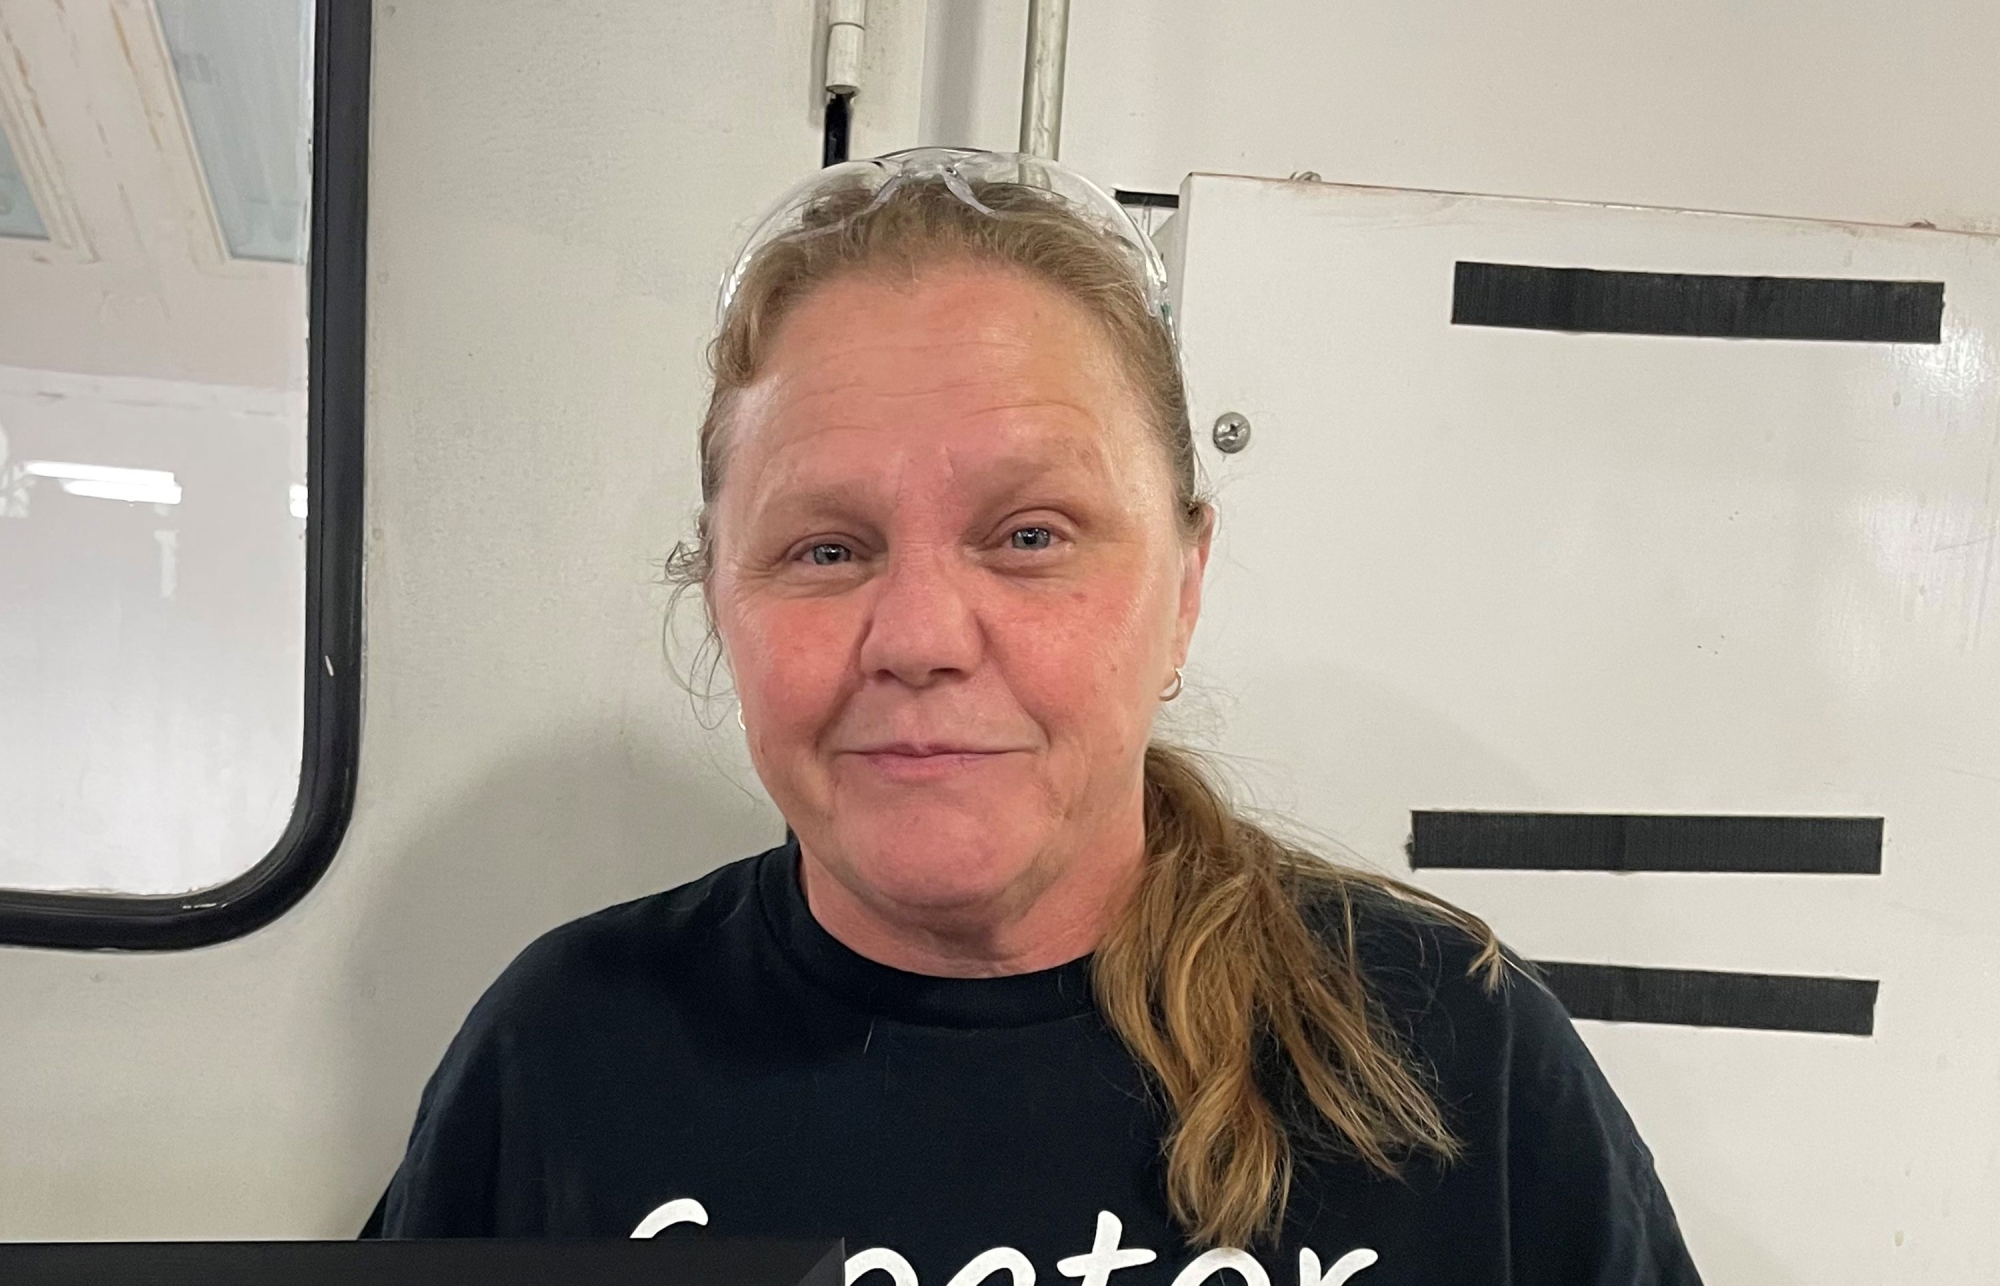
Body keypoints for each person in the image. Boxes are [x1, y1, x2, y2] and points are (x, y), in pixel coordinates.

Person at [370, 149, 1702, 1286]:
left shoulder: (1454, 1056)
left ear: (1184, 589)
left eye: (1029, 534)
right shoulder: (565, 1053)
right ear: (721, 601)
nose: (920, 638)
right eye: (825, 549)